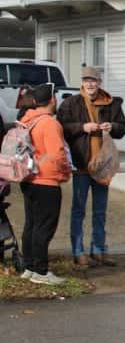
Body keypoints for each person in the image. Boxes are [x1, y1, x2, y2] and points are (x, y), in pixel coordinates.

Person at [57, 66, 125, 267]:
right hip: (81, 165)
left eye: (94, 80)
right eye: (87, 80)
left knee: (100, 210)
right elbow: (61, 127)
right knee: (78, 210)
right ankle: (78, 251)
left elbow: (123, 127)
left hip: (102, 165)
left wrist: (112, 127)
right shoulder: (70, 103)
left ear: (99, 83)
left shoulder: (112, 103)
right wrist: (82, 127)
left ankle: (98, 249)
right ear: (82, 82)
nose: (90, 84)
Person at [17, 83, 71, 285]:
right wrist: (65, 172)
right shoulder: (49, 123)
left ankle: (30, 267)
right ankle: (41, 271)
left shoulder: (27, 119)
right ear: (52, 100)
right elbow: (57, 154)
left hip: (28, 178)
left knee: (31, 224)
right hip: (46, 181)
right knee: (44, 226)